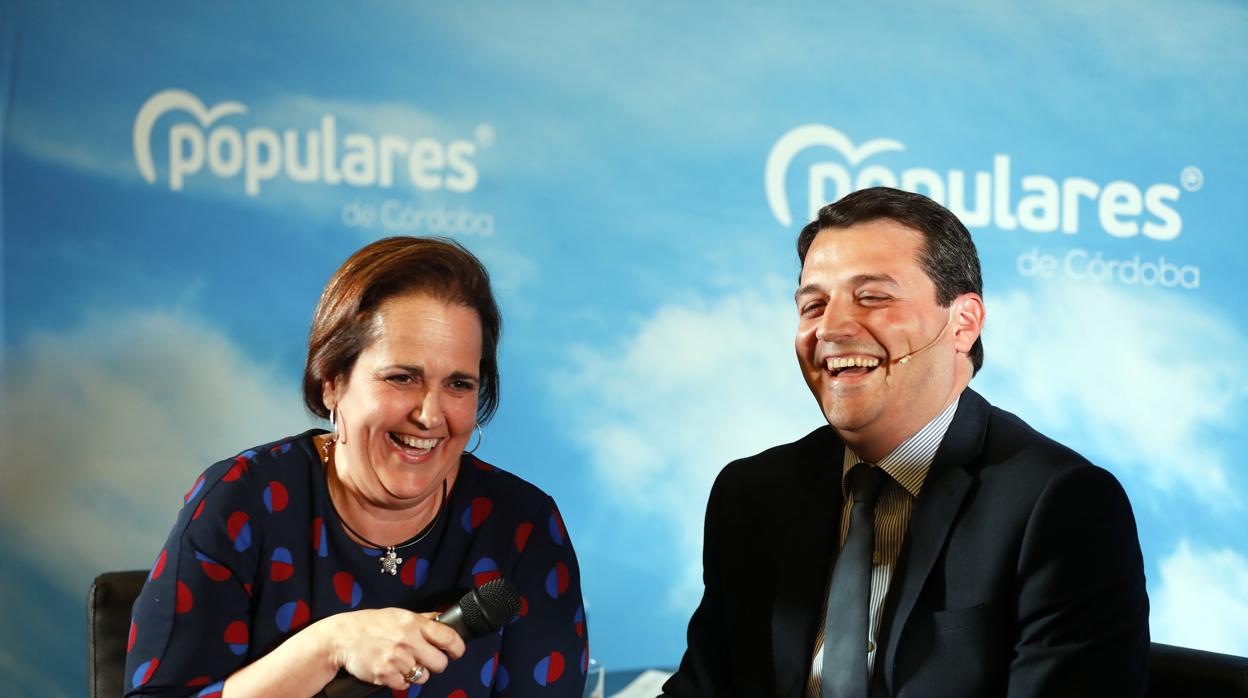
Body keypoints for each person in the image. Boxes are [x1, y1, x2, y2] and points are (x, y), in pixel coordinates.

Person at [662, 187, 1149, 697]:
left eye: (872, 297)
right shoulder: (752, 494)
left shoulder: (1059, 505)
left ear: (963, 324)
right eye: (813, 305)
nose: (831, 328)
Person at [126, 237, 587, 698]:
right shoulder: (241, 500)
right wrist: (326, 648)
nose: (430, 415)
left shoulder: (522, 525)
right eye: (401, 378)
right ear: (332, 383)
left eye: (459, 384)